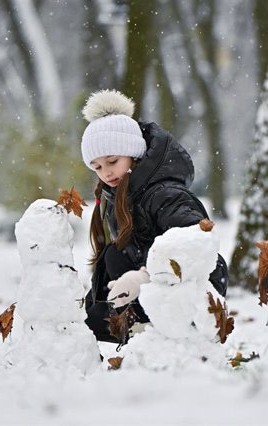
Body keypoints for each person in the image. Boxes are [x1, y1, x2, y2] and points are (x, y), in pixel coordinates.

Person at [79, 89, 229, 343]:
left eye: (112, 161)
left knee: (119, 256)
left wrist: (144, 277)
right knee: (113, 256)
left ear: (134, 153)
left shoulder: (165, 195)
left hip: (192, 294)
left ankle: (162, 333)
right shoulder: (120, 197)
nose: (105, 172)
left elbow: (200, 248)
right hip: (155, 296)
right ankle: (133, 330)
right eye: (97, 167)